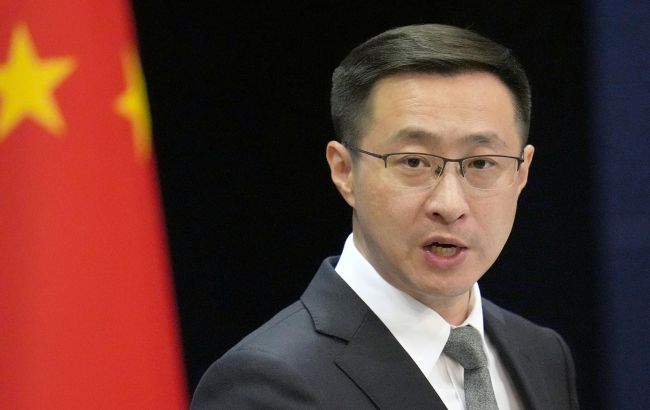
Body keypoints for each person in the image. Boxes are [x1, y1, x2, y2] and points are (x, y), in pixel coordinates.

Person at [191, 24, 579, 410]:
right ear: (344, 170)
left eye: (480, 163)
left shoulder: (542, 355)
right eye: (413, 162)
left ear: (521, 173)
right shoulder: (264, 385)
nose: (449, 204)